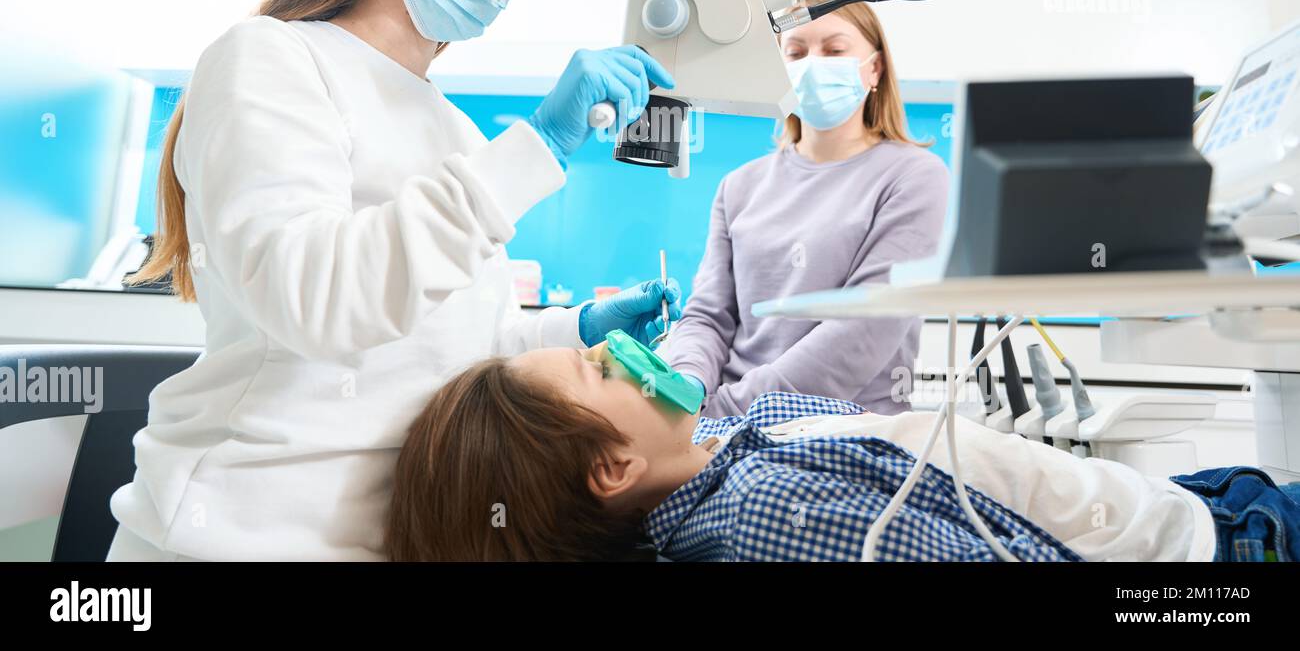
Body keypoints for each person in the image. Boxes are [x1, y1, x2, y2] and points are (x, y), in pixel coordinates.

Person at [106, 0, 683, 561]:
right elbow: (318, 300)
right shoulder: (270, 59)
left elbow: (460, 347)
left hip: (390, 537)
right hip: (239, 531)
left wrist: (573, 333)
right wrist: (538, 146)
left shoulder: (452, 128)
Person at [386, 344, 1300, 562]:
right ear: (612, 469)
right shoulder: (769, 521)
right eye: (600, 366)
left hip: (1168, 499)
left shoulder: (723, 448)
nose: (630, 353)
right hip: (1209, 545)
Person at [657, 0, 948, 416]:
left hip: (844, 431)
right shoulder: (740, 186)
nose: (812, 64)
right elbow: (708, 317)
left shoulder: (914, 177)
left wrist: (726, 412)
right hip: (720, 422)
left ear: (875, 68)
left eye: (834, 49)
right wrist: (683, 389)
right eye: (795, 52)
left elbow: (865, 330)